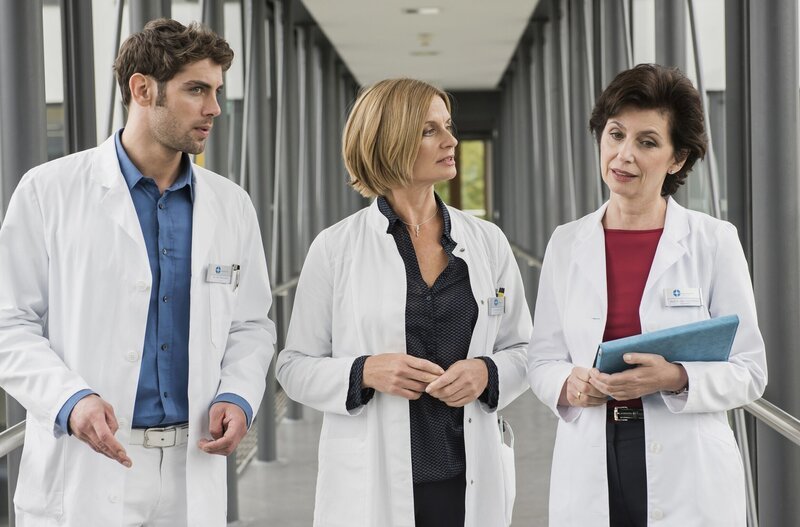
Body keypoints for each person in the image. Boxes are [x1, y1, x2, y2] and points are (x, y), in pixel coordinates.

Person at [0, 19, 275, 526]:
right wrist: (70, 399)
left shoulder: (231, 205)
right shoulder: (49, 192)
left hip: (192, 466)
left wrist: (237, 394)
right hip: (86, 465)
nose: (213, 108)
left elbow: (250, 324)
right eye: (196, 89)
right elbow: (8, 323)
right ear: (142, 89)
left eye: (216, 90)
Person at [276, 78, 531, 526]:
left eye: (448, 126)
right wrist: (364, 371)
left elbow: (527, 351)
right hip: (373, 482)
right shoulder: (335, 248)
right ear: (388, 140)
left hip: (468, 475)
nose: (451, 140)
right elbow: (293, 366)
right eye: (429, 130)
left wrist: (487, 372)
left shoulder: (487, 242)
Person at [527, 63, 767, 527]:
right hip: (592, 453)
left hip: (687, 462)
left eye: (647, 142)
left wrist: (674, 377)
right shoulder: (566, 242)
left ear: (677, 159)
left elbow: (750, 371)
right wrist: (569, 384)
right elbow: (542, 360)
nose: (624, 155)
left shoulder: (713, 240)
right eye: (615, 134)